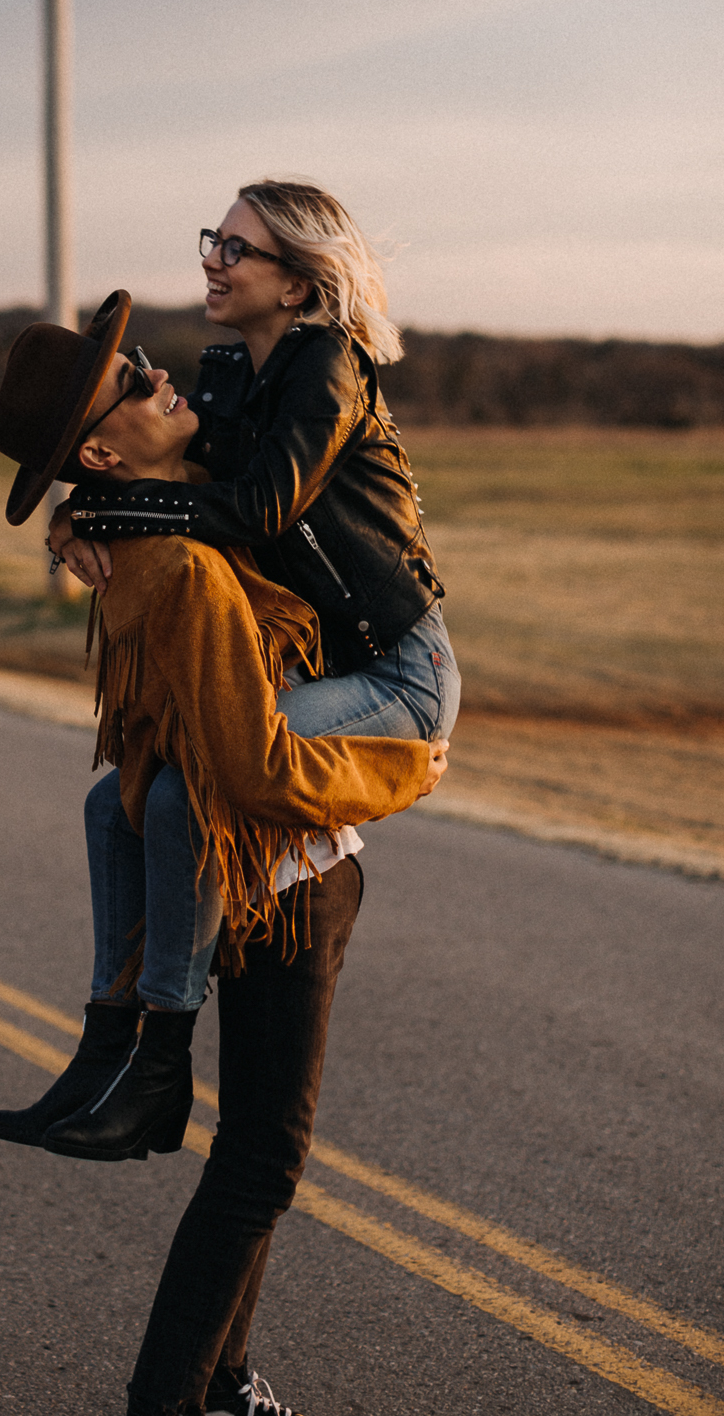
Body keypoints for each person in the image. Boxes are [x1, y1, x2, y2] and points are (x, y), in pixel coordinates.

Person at [0, 293, 448, 1416]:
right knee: (260, 1161)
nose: (158, 374)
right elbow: (246, 768)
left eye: (140, 360)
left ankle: (225, 1383)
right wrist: (412, 763)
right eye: (131, 383)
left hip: (251, 872)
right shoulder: (185, 557)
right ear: (100, 447)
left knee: (255, 1153)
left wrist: (73, 520)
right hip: (277, 879)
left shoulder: (157, 519)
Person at [40, 179, 460, 1046]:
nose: (211, 260)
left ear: (298, 284)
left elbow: (261, 507)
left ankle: (160, 1046)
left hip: (397, 671)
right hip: (325, 667)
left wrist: (104, 512)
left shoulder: (326, 364)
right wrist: (72, 512)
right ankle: (109, 1040)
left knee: (190, 794)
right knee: (117, 802)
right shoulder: (234, 374)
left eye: (236, 248)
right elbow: (180, 481)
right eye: (214, 240)